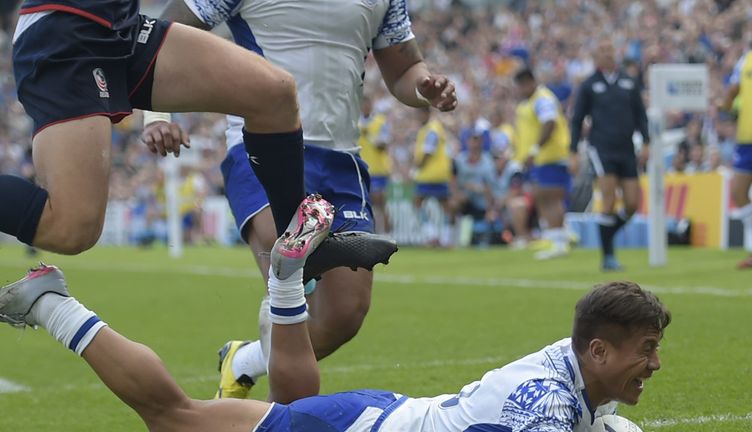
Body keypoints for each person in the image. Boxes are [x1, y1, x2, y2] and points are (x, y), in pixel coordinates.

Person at [0, 222, 671, 430]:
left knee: (288, 407)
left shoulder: (575, 374)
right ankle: (52, 303)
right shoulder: (548, 409)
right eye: (646, 350)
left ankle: (289, 286)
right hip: (360, 428)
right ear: (599, 349)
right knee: (173, 416)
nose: (656, 364)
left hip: (381, 416)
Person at [143, 0, 457, 399]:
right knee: (291, 260)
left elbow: (404, 69)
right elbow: (163, 33)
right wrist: (156, 116)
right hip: (262, 142)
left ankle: (244, 362)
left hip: (342, 158)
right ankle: (283, 421)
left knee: (344, 314)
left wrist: (425, 86)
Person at [2, 0, 308, 260]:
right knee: (71, 230)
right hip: (65, 30)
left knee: (274, 93)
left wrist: (156, 116)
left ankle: (297, 243)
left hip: (121, 26)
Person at [569, 39, 649, 271]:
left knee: (633, 203)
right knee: (609, 199)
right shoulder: (589, 85)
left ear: (616, 53)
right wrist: (573, 151)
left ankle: (609, 232)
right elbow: (576, 120)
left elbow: (640, 115)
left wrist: (646, 142)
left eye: (609, 50)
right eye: (601, 51)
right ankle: (608, 256)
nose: (606, 54)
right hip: (601, 148)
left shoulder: (628, 82)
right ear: (595, 56)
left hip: (626, 148)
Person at [721, 14, 752, 269]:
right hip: (747, 138)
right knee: (739, 193)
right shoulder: (746, 60)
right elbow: (733, 88)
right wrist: (725, 105)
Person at [513, 68, 572, 260]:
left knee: (551, 197)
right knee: (542, 197)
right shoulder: (531, 102)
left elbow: (550, 122)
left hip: (551, 156)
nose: (520, 90)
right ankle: (555, 239)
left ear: (529, 82)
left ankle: (560, 242)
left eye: (521, 86)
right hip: (542, 159)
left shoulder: (542, 98)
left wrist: (535, 149)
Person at [413, 107, 454, 247]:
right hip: (439, 173)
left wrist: (417, 165)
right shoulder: (431, 128)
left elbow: (428, 151)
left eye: (420, 113)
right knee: (445, 205)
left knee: (418, 201)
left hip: (430, 174)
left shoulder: (432, 129)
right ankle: (446, 237)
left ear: (426, 113)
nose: (418, 116)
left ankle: (432, 235)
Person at [359, 95, 393, 234]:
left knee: (379, 202)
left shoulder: (380, 122)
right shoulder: (356, 123)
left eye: (368, 104)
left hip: (378, 168)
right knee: (366, 204)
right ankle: (371, 233)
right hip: (362, 168)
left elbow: (384, 144)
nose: (366, 107)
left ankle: (388, 233)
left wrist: (370, 137)